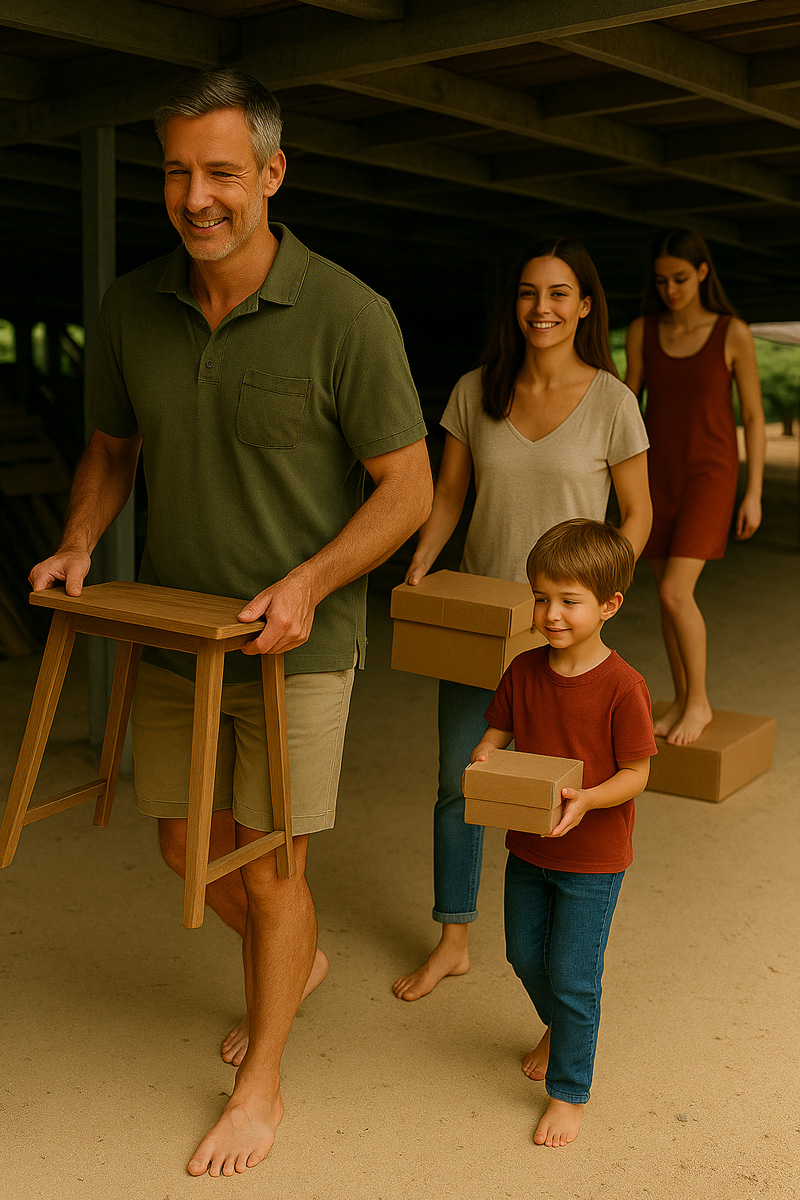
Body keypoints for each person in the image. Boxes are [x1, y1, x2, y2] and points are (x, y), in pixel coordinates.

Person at [28, 68, 432, 1178]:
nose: (195, 196)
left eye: (219, 172)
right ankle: (288, 963)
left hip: (295, 649)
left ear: (271, 173)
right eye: (175, 171)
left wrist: (309, 580)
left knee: (266, 867)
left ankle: (261, 1086)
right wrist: (78, 541)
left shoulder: (348, 314)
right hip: (174, 630)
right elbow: (113, 448)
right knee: (178, 842)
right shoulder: (130, 305)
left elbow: (408, 490)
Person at [393, 239, 652, 1003]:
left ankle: (558, 959)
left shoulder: (614, 401)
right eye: (529, 293)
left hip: (566, 628)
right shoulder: (478, 390)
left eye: (559, 293)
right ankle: (453, 938)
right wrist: (420, 563)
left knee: (566, 782)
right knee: (458, 778)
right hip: (484, 621)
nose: (542, 307)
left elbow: (637, 514)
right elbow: (446, 498)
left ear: (584, 306)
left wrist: (603, 590)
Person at [471, 518, 657, 1147]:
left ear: (609, 605)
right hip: (528, 842)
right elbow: (499, 729)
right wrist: (484, 755)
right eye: (541, 597)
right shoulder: (524, 669)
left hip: (594, 856)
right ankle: (561, 1024)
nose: (551, 614)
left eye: (569, 601)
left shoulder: (623, 687)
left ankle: (570, 1090)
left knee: (575, 976)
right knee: (523, 954)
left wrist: (590, 799)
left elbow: (637, 774)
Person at [625, 229, 765, 746]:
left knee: (674, 590)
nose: (671, 290)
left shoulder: (732, 332)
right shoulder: (642, 330)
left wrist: (753, 493)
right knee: (666, 599)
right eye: (661, 281)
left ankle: (700, 702)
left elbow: (752, 414)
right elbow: (627, 405)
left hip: (712, 474)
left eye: (681, 279)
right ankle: (682, 698)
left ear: (703, 273)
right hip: (657, 476)